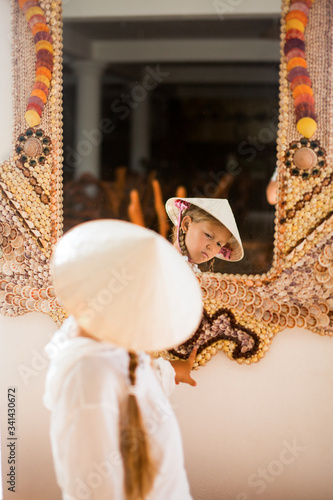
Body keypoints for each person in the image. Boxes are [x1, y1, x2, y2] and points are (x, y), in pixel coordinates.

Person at [44, 219, 203, 500]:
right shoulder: (87, 378)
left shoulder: (122, 352)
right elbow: (94, 491)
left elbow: (137, 383)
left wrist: (173, 371)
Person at [165, 197, 244, 273]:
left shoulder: (188, 269)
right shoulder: (166, 264)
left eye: (219, 244)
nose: (212, 248)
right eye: (208, 235)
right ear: (187, 224)